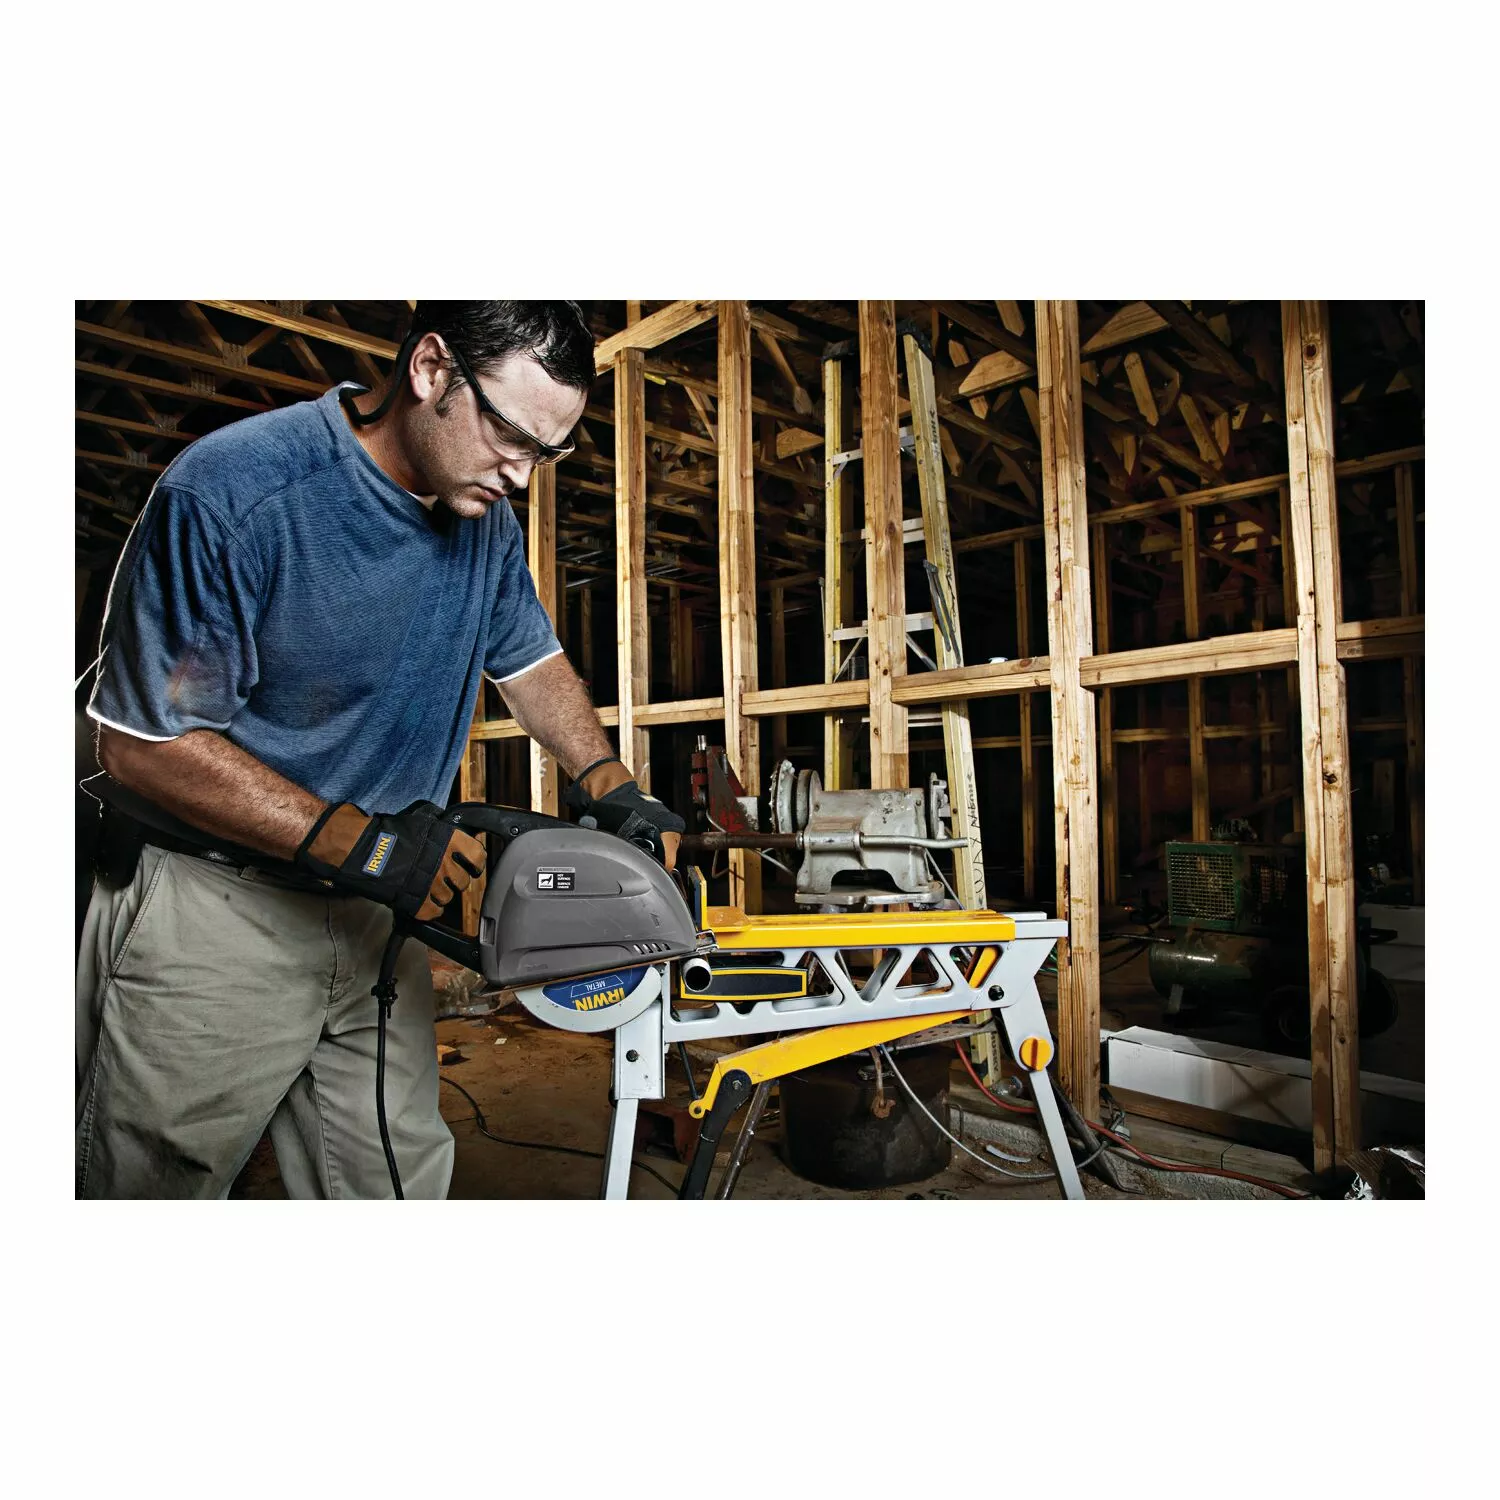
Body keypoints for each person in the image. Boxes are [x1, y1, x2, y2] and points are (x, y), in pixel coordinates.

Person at [76, 300, 684, 1199]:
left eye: (546, 454)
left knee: (393, 1184)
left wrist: (609, 780)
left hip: (374, 915)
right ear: (431, 370)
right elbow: (144, 745)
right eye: (511, 437)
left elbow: (530, 661)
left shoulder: (484, 523)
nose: (522, 476)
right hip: (215, 913)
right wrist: (363, 844)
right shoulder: (237, 492)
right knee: (150, 1191)